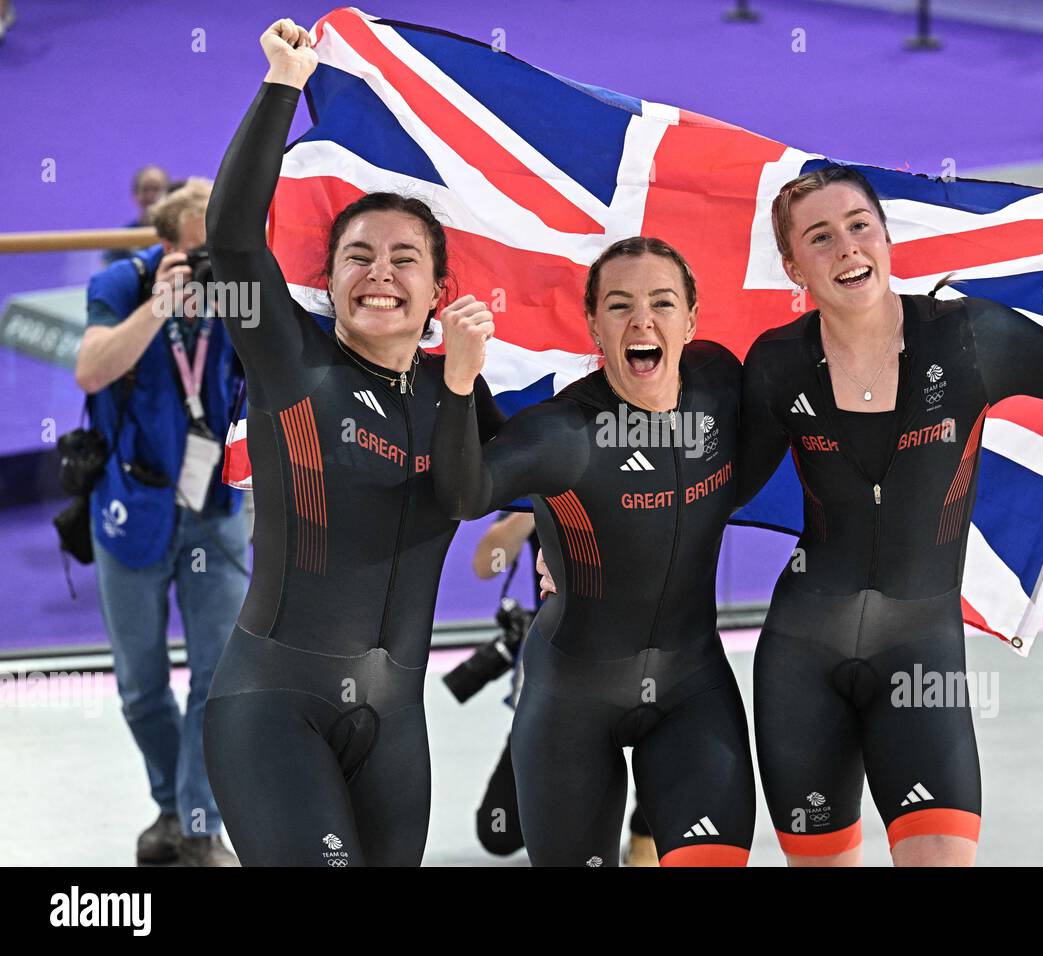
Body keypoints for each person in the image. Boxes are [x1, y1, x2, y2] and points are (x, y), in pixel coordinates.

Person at [737, 165, 1043, 866]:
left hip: (921, 659)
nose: (847, 248)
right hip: (800, 663)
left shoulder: (967, 339)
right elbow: (713, 489)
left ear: (887, 236)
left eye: (859, 226)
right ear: (794, 267)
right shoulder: (777, 365)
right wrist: (559, 532)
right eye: (821, 237)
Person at [201, 18, 501, 867]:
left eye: (404, 259)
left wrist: (536, 535)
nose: (380, 272)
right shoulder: (292, 361)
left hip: (396, 722)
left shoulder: (464, 393)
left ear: (439, 290)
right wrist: (282, 85)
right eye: (357, 256)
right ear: (327, 283)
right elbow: (230, 241)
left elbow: (544, 470)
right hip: (272, 707)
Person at [436, 237, 756, 867]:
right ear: (592, 325)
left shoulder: (720, 387)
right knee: (504, 838)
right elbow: (463, 494)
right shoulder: (564, 433)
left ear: (692, 318)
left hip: (692, 688)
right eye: (619, 306)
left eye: (663, 303)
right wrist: (458, 379)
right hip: (571, 699)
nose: (643, 320)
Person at [74, 178, 247, 867]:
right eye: (204, 253)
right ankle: (172, 806)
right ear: (170, 245)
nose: (216, 265)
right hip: (134, 507)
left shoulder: (241, 286)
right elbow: (90, 370)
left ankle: (199, 825)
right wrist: (158, 310)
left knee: (219, 678)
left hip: (216, 511)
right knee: (141, 683)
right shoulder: (123, 282)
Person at [471, 513, 658, 866]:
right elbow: (485, 565)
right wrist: (537, 501)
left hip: (641, 650)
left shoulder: (643, 480)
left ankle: (645, 826)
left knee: (667, 724)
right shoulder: (546, 466)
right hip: (562, 664)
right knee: (498, 830)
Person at [104, 166, 170, 265]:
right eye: (145, 189)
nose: (150, 196)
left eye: (156, 189)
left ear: (169, 194)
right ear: (135, 195)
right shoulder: (122, 237)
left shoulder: (176, 233)